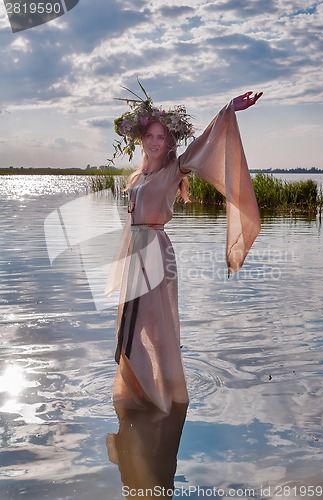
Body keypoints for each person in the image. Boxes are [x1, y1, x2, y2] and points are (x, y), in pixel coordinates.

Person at [105, 83, 262, 414]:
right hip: (137, 255)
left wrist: (228, 110)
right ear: (141, 139)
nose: (155, 142)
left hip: (155, 254)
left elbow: (202, 147)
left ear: (169, 142)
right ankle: (141, 394)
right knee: (133, 329)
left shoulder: (171, 171)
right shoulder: (136, 179)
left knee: (152, 328)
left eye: (162, 137)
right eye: (150, 136)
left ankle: (159, 396)